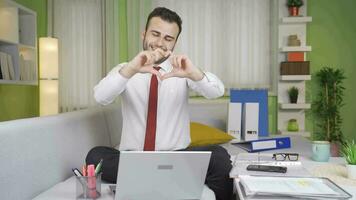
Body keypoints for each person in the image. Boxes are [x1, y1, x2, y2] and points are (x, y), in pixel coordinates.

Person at [86, 7, 233, 200]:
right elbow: (100, 97)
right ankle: (165, 180)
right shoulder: (125, 69)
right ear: (144, 34)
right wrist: (132, 68)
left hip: (176, 158)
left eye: (168, 38)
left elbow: (217, 92)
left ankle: (153, 179)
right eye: (155, 34)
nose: (160, 43)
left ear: (174, 43)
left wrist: (194, 73)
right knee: (95, 156)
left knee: (220, 157)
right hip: (133, 159)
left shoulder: (182, 70)